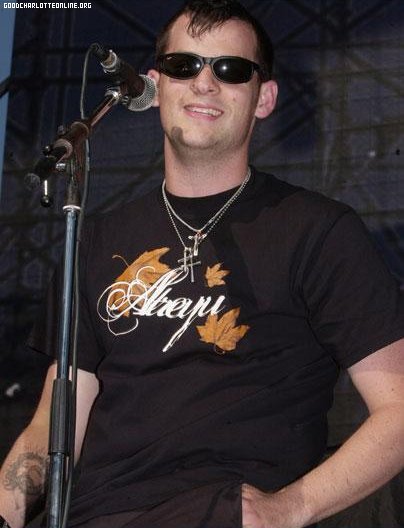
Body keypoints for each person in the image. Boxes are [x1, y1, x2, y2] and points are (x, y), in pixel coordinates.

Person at [1, 1, 404, 527]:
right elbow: (52, 428)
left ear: (264, 98)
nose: (205, 83)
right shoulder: (96, 239)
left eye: (231, 69)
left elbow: (398, 410)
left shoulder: (318, 230)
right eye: (183, 65)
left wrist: (288, 509)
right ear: (153, 87)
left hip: (218, 509)